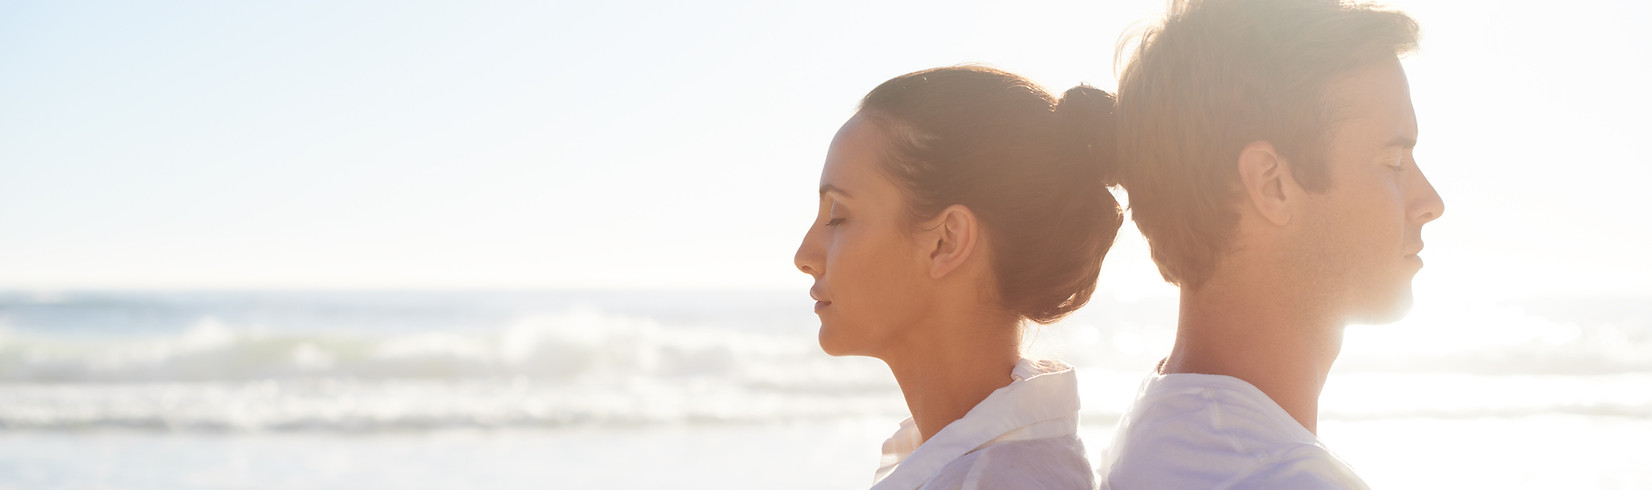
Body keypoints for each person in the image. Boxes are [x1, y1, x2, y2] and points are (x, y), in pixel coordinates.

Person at [1095, 0, 1445, 488]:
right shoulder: (1278, 476)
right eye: (1393, 161)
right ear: (1272, 184)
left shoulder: (1152, 435)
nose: (1430, 202)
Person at [794, 65, 1122, 489]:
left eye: (838, 216)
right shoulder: (971, 462)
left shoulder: (1000, 479)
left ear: (946, 241)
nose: (805, 255)